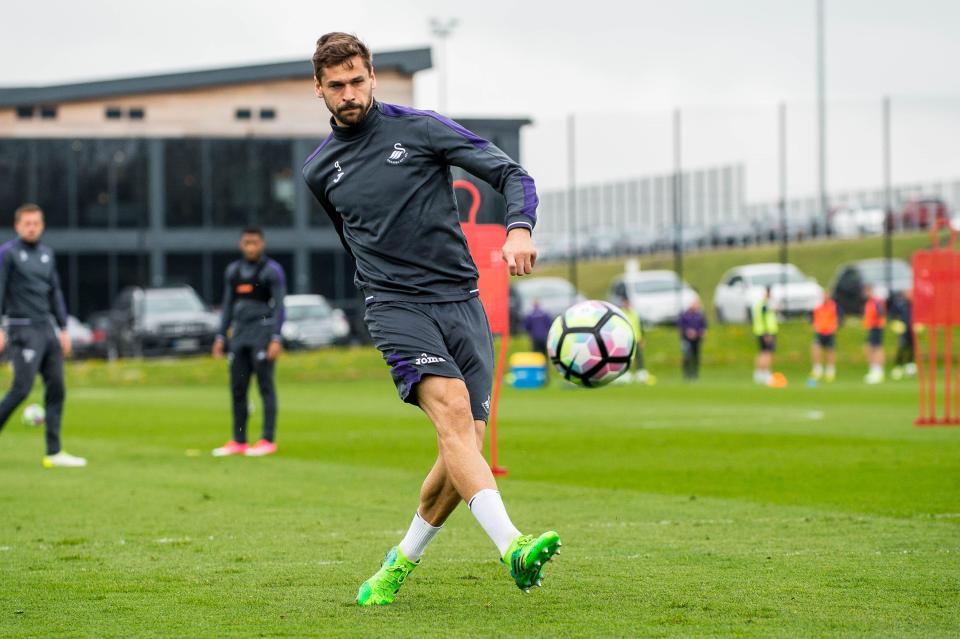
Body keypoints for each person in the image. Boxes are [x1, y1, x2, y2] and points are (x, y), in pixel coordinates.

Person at [302, 33, 560, 606]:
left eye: (357, 80)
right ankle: (513, 546)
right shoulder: (319, 171)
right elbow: (355, 240)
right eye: (336, 85)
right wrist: (385, 289)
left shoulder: (420, 127)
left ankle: (399, 561)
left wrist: (519, 227)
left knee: (462, 444)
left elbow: (512, 174)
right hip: (395, 307)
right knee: (451, 413)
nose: (348, 93)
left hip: (461, 301)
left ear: (372, 77)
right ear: (318, 89)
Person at [0, 203, 85, 468]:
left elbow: (55, 292)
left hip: (46, 329)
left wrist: (63, 329)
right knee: (21, 390)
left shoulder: (48, 254)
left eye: (36, 223)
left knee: (57, 387)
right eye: (27, 223)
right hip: (22, 328)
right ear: (17, 226)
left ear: (43, 225)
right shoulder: (8, 253)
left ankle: (54, 451)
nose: (32, 228)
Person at [210, 228, 286, 457]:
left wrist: (276, 337)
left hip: (262, 335)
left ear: (262, 244)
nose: (250, 247)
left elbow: (281, 306)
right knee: (238, 389)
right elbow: (228, 306)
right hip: (239, 336)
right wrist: (221, 336)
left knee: (265, 387)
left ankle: (267, 439)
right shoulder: (233, 271)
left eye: (254, 243)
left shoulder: (271, 271)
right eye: (246, 243)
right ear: (241, 245)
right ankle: (240, 440)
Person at [809, 291, 840, 383]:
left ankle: (830, 370)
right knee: (816, 348)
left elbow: (838, 318)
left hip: (830, 332)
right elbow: (813, 318)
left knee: (830, 351)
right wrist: (815, 326)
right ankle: (817, 369)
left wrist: (834, 327)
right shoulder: (818, 307)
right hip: (820, 332)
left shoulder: (834, 306)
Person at [619, 298, 651, 384]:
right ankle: (625, 374)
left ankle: (641, 374)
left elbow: (639, 326)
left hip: (636, 339)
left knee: (639, 357)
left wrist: (642, 338)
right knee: (625, 358)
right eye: (625, 303)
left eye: (628, 303)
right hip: (625, 340)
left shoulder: (634, 314)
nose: (627, 305)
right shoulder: (620, 313)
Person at [752, 286, 778, 385]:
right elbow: (764, 319)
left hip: (760, 331)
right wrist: (767, 333)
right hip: (767, 332)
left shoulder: (760, 304)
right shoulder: (764, 305)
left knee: (762, 352)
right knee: (767, 352)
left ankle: (759, 373)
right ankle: (765, 372)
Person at [890, 288, 916, 380]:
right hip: (903, 329)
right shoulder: (900, 304)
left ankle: (910, 365)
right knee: (902, 346)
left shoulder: (915, 305)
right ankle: (898, 366)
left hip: (913, 329)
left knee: (912, 347)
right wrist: (896, 324)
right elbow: (892, 315)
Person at [862, 284, 886, 384]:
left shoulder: (876, 301)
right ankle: (874, 368)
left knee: (876, 348)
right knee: (870, 348)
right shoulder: (869, 302)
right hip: (871, 327)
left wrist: (876, 322)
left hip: (876, 327)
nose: (866, 293)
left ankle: (878, 370)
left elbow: (881, 313)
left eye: (868, 291)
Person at [678, 299, 707, 381]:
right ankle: (687, 374)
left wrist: (702, 332)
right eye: (695, 305)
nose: (697, 306)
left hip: (697, 340)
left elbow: (703, 326)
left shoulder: (699, 315)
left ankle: (695, 374)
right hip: (686, 340)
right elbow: (681, 327)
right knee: (687, 356)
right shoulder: (685, 315)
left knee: (696, 357)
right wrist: (688, 332)